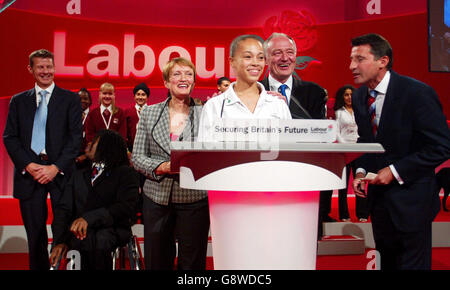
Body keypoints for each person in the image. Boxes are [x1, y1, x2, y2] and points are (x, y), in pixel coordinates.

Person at [350, 33, 450, 270]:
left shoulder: (417, 93)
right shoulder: (359, 95)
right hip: (379, 203)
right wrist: (362, 170)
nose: (352, 66)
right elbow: (366, 140)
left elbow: (442, 146)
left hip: (413, 200)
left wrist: (394, 171)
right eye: (351, 59)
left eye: (359, 59)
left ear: (382, 61)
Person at [2, 49, 82, 270]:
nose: (45, 71)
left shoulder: (71, 99)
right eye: (40, 67)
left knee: (65, 233)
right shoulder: (18, 101)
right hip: (30, 176)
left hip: (61, 175)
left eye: (49, 67)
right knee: (35, 234)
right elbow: (10, 137)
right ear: (31, 69)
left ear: (54, 68)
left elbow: (76, 139)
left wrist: (55, 168)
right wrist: (29, 165)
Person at [131, 57, 209, 270]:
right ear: (166, 82)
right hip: (156, 197)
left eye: (189, 74)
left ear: (194, 82)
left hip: (194, 197)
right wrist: (162, 167)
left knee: (192, 263)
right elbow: (137, 157)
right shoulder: (149, 112)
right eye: (177, 74)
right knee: (157, 261)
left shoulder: (207, 114)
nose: (183, 78)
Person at [50, 129, 139, 270]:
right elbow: (63, 209)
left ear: (107, 146)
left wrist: (89, 219)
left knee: (100, 239)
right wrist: (59, 241)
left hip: (112, 229)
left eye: (96, 140)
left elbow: (125, 207)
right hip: (80, 233)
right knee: (82, 240)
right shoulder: (78, 175)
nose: (90, 143)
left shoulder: (125, 174)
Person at [198, 34, 291, 141]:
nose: (255, 63)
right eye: (248, 57)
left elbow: (290, 148)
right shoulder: (214, 107)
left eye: (260, 57)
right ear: (232, 61)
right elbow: (204, 153)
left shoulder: (278, 104)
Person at [261, 32, 327, 119]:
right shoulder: (254, 91)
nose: (285, 58)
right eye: (277, 53)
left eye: (290, 52)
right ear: (265, 60)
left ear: (295, 57)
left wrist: (286, 110)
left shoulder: (315, 92)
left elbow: (319, 129)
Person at [334, 84, 369, 222]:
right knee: (343, 184)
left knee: (361, 182)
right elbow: (336, 132)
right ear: (342, 97)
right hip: (344, 151)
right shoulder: (339, 112)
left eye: (351, 94)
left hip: (359, 150)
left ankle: (362, 213)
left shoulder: (361, 111)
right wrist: (345, 147)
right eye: (346, 95)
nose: (349, 97)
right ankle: (344, 214)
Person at [125, 82, 150, 152]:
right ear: (134, 96)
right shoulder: (128, 112)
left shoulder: (152, 111)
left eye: (143, 95)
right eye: (138, 94)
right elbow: (125, 133)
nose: (140, 97)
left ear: (147, 97)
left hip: (149, 150)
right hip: (132, 150)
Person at [75, 88, 93, 169]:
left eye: (85, 99)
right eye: (79, 99)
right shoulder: (70, 116)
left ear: (90, 101)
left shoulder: (94, 115)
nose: (82, 101)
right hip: (72, 156)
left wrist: (86, 155)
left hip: (89, 157)